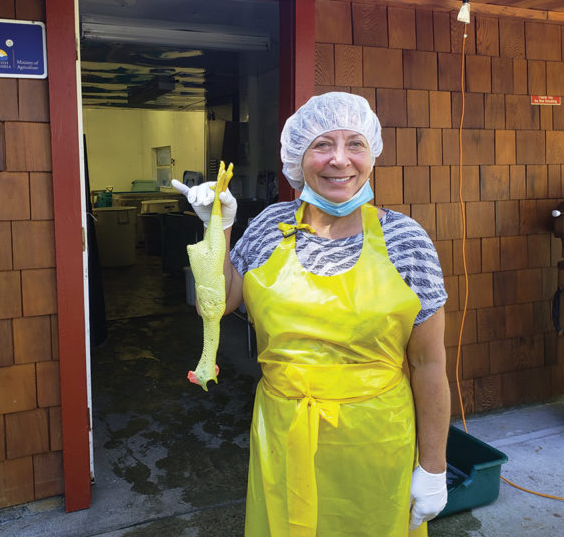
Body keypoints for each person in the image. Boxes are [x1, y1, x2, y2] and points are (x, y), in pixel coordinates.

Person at [173, 92, 450, 537]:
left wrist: (434, 467)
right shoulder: (268, 227)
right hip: (283, 434)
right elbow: (220, 302)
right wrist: (217, 227)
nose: (340, 159)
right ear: (298, 159)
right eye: (322, 145)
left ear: (372, 156)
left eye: (355, 144)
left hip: (376, 443)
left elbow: (428, 363)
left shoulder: (406, 240)